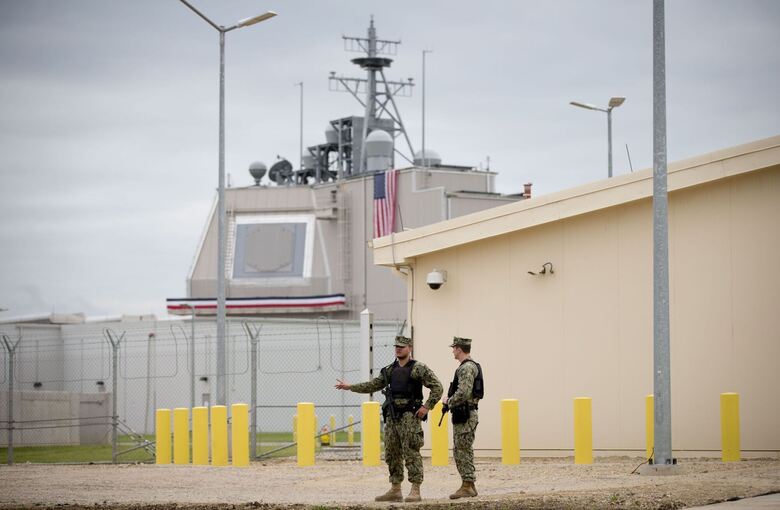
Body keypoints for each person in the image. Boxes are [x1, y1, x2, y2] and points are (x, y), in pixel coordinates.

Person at [335, 335, 442, 503]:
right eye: (396, 346)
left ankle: (415, 489)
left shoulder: (419, 368)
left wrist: (427, 406)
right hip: (392, 417)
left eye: (402, 346)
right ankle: (395, 489)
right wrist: (350, 387)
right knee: (392, 452)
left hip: (410, 415)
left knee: (411, 451)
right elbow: (373, 385)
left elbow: (438, 387)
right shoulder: (389, 370)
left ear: (409, 348)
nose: (398, 349)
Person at [442, 336, 483, 499]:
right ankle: (469, 485)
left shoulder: (466, 368)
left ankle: (467, 485)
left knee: (462, 450)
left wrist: (448, 401)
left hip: (466, 415)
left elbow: (464, 392)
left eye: (454, 348)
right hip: (464, 414)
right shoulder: (469, 366)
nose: (452, 351)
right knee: (462, 449)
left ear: (459, 349)